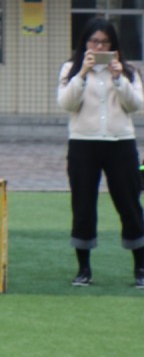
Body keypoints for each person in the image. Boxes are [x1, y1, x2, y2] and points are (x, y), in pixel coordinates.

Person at [55, 16, 144, 288]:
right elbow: (66, 104)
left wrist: (118, 79)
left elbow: (136, 105)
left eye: (105, 42)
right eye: (94, 41)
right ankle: (84, 270)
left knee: (129, 204)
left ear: (114, 46)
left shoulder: (128, 72)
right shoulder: (71, 69)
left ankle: (140, 268)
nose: (99, 46)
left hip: (121, 143)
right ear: (85, 43)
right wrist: (82, 73)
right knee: (83, 205)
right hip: (84, 144)